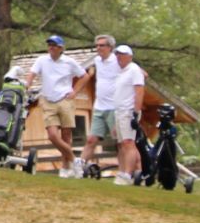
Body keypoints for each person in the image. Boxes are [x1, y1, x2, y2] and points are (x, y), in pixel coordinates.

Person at [24, 34, 85, 177]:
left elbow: (84, 76)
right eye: (49, 45)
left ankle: (65, 167)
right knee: (52, 135)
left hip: (65, 100)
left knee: (66, 135)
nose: (51, 47)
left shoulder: (69, 62)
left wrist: (75, 92)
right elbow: (32, 74)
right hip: (47, 99)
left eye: (54, 45)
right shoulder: (42, 60)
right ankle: (74, 160)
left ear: (60, 48)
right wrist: (27, 84)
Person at [77, 35, 119, 179]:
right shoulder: (96, 61)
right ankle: (80, 167)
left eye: (102, 45)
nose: (98, 48)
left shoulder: (118, 60)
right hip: (100, 107)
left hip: (115, 107)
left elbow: (140, 76)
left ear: (110, 47)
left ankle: (130, 171)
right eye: (97, 45)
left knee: (121, 142)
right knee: (91, 139)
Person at [110, 44, 148, 184]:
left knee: (128, 143)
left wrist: (135, 112)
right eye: (118, 54)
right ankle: (137, 173)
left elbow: (139, 91)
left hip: (128, 111)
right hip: (119, 111)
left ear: (130, 56)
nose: (119, 57)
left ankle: (127, 174)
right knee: (122, 144)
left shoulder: (133, 70)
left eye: (122, 54)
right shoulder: (121, 72)